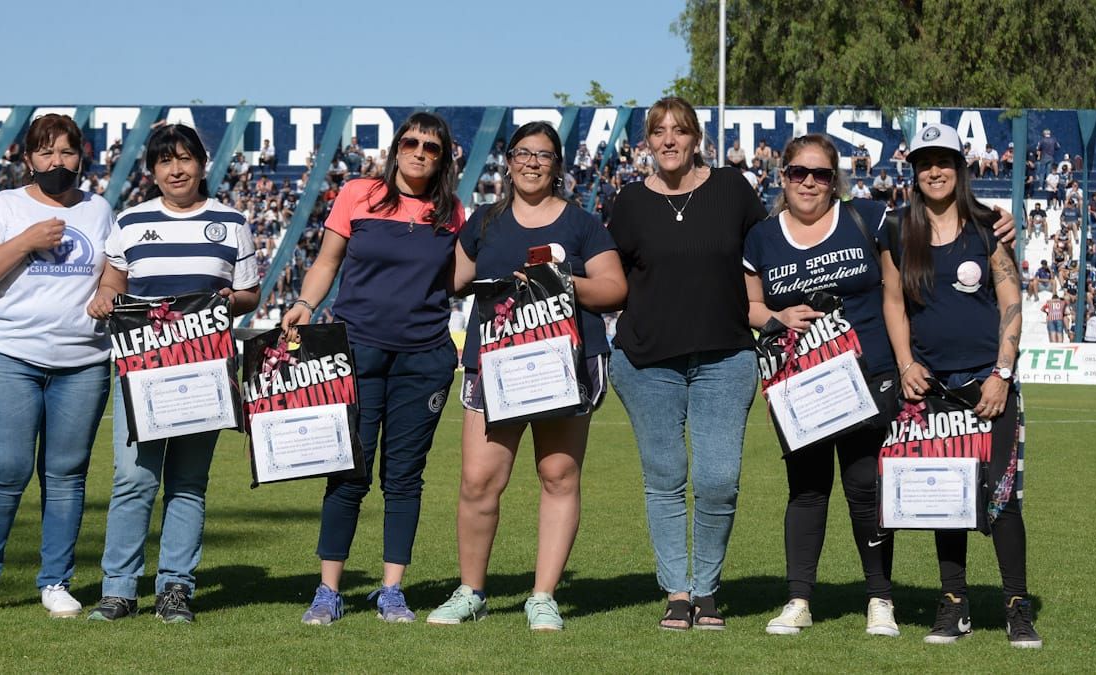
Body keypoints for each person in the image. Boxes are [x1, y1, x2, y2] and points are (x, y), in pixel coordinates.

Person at [427, 122, 626, 631]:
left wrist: (562, 282)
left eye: (543, 155)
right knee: (478, 481)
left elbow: (613, 288)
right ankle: (471, 592)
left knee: (558, 476)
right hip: (496, 365)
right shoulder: (485, 222)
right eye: (522, 153)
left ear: (557, 165)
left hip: (563, 364)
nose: (532, 163)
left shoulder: (583, 224)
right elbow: (451, 278)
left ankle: (543, 596)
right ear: (509, 161)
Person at [279, 112, 463, 625]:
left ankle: (392, 591)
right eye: (411, 142)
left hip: (424, 359)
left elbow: (459, 278)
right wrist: (305, 304)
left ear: (443, 157)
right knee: (348, 473)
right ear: (396, 147)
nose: (420, 151)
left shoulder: (452, 211)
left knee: (404, 478)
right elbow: (327, 261)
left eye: (431, 146)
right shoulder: (359, 193)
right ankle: (328, 591)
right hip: (357, 351)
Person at [86, 124, 261, 624]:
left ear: (202, 165)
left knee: (187, 483)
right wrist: (103, 299)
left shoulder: (231, 222)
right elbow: (113, 282)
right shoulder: (131, 221)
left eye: (185, 159)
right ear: (152, 171)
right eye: (165, 161)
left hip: (204, 374)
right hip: (141, 372)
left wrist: (230, 299)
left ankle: (175, 589)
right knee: (133, 479)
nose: (176, 169)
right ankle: (119, 590)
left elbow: (250, 293)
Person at [0, 114, 115, 618]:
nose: (56, 161)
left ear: (81, 157)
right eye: (46, 152)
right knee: (4, 471)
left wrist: (107, 292)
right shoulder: (6, 205)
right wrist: (25, 241)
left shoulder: (100, 209)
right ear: (28, 159)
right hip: (10, 356)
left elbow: (114, 273)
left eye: (66, 152)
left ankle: (56, 581)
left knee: (66, 475)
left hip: (83, 362)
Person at [607, 96, 766, 631]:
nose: (669, 140)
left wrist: (773, 311)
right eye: (659, 131)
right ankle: (678, 592)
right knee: (665, 478)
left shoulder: (732, 188)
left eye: (679, 130)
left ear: (697, 138)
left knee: (719, 480)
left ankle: (708, 589)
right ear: (647, 142)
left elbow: (766, 255)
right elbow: (610, 279)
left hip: (726, 357)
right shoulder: (629, 201)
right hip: (646, 362)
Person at [881, 123, 1041, 648]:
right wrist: (906, 364)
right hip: (932, 388)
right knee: (944, 498)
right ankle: (954, 603)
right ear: (914, 171)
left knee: (1001, 498)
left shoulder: (989, 225)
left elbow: (1011, 301)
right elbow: (893, 302)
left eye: (944, 161)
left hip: (988, 383)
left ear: (960, 168)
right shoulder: (897, 228)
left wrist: (1002, 374)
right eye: (925, 162)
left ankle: (1017, 605)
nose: (935, 171)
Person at [743, 133, 899, 637]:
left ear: (835, 181)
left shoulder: (867, 217)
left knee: (864, 486)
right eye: (798, 172)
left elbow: (925, 245)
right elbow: (749, 305)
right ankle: (798, 601)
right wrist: (776, 316)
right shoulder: (762, 237)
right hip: (800, 384)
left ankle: (880, 599)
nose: (809, 182)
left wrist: (992, 220)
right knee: (806, 490)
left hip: (868, 376)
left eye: (821, 174)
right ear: (782, 176)